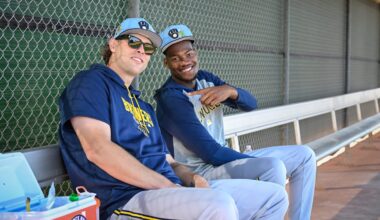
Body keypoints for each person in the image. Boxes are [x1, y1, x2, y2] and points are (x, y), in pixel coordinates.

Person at [59, 18, 288, 220]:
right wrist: (169, 186)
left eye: (148, 47)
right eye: (133, 42)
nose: (141, 50)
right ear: (113, 45)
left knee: (274, 197)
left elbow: (170, 162)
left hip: (170, 189)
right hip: (126, 198)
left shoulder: (143, 106)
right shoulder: (92, 82)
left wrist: (192, 178)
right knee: (219, 205)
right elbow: (97, 149)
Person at [155, 24, 317, 220]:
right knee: (272, 167)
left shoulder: (206, 79)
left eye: (189, 54)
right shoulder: (171, 98)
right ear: (166, 63)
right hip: (198, 172)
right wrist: (255, 164)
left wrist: (232, 91)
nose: (185, 62)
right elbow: (211, 153)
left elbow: (251, 104)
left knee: (304, 156)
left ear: (196, 53)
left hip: (221, 161)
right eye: (175, 58)